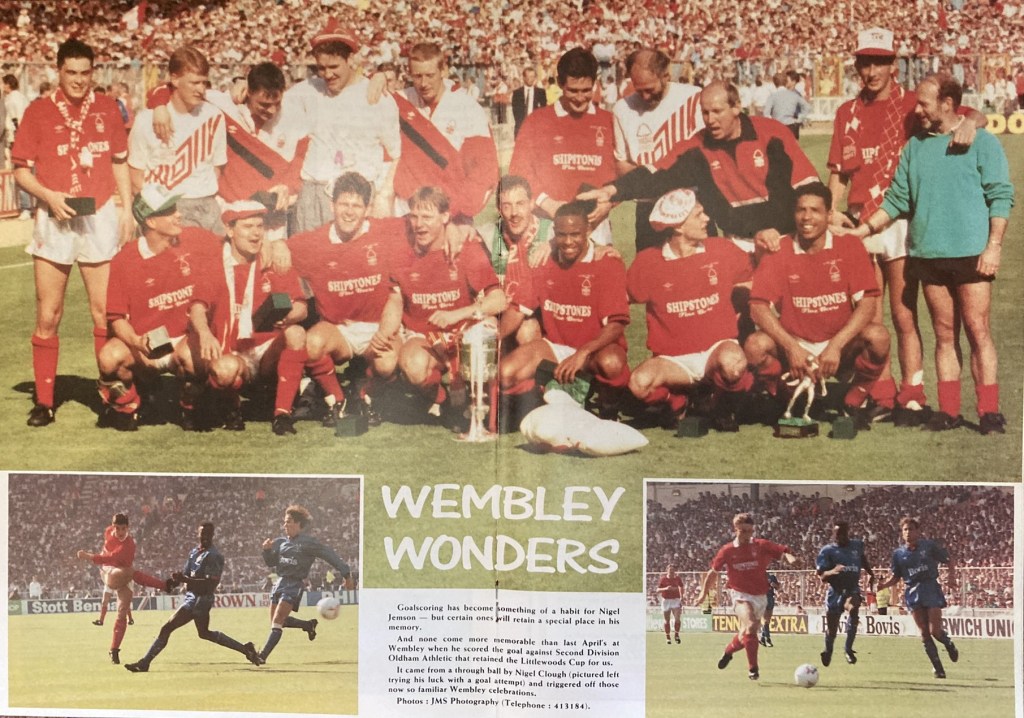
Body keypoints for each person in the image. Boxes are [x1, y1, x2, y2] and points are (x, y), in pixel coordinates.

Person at [828, 28, 987, 426]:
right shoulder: (846, 112)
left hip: (899, 218)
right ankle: (880, 391)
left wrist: (974, 123)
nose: (871, 71)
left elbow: (967, 113)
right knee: (869, 315)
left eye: (879, 62)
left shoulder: (912, 104)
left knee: (903, 314)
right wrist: (832, 211)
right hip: (858, 221)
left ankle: (912, 392)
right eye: (865, 62)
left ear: (893, 64)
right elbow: (838, 173)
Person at [853, 73, 1013, 434]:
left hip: (972, 253)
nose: (918, 111)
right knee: (943, 333)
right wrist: (861, 231)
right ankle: (949, 411)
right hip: (928, 253)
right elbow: (896, 199)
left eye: (924, 104)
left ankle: (989, 411)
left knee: (978, 330)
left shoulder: (983, 143)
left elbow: (1001, 196)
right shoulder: (915, 147)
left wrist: (993, 247)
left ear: (948, 104)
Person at [12, 38, 134, 427]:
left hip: (98, 215)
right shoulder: (38, 111)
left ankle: (109, 394)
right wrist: (48, 195)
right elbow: (20, 169)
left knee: (103, 312)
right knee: (49, 312)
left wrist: (127, 208)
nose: (79, 80)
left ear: (93, 72)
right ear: (59, 71)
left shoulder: (108, 108)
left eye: (85, 73)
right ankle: (44, 402)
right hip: (55, 216)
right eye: (71, 73)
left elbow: (119, 161)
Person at [581, 81, 819, 255]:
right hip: (739, 244)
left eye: (717, 111)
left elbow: (807, 185)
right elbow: (656, 174)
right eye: (705, 112)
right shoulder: (697, 147)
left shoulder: (771, 133)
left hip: (786, 238)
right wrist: (611, 191)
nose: (710, 119)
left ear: (736, 107)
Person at [745, 183, 891, 421]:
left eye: (815, 210)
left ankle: (853, 401)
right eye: (801, 210)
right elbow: (758, 307)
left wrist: (836, 346)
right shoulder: (780, 249)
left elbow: (867, 304)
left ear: (829, 214)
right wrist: (792, 348)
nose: (806, 217)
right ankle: (785, 398)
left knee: (879, 337)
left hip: (839, 345)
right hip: (795, 344)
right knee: (754, 346)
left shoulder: (849, 245)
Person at [626, 188, 754, 430]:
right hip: (674, 360)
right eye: (698, 215)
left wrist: (739, 307)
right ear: (678, 226)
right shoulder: (648, 262)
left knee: (734, 364)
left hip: (715, 351)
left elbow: (754, 276)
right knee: (638, 384)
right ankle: (677, 402)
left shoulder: (721, 249)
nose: (707, 219)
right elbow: (621, 299)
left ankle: (719, 404)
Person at [288, 172, 409, 424]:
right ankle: (337, 398)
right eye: (344, 204)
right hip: (339, 329)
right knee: (312, 344)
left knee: (387, 364)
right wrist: (276, 247)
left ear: (368, 209)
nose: (349, 212)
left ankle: (365, 394)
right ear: (332, 205)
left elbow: (425, 222)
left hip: (378, 326)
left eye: (356, 206)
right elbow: (276, 249)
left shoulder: (386, 231)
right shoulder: (315, 242)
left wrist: (457, 229)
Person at [376, 186, 505, 422]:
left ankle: (476, 399)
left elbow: (499, 299)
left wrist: (457, 314)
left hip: (461, 332)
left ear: (445, 217)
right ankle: (442, 399)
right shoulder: (401, 250)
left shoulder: (466, 248)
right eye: (414, 216)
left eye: (427, 217)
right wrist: (384, 333)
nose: (419, 224)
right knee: (413, 366)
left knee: (484, 334)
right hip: (424, 336)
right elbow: (395, 299)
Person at [97, 184, 217, 431]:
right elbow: (116, 318)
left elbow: (234, 242)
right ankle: (130, 404)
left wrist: (275, 245)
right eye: (169, 211)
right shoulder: (124, 260)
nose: (178, 214)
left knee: (194, 359)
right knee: (109, 358)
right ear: (151, 222)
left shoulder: (196, 238)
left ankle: (189, 406)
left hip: (184, 338)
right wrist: (137, 341)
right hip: (148, 342)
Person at [499, 202, 630, 419]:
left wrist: (583, 352)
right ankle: (551, 394)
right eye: (562, 235)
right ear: (554, 233)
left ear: (588, 230)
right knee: (505, 373)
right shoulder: (544, 262)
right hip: (556, 348)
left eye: (575, 234)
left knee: (612, 363)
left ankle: (608, 403)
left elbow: (616, 324)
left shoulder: (607, 263)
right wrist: (493, 339)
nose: (568, 242)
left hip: (594, 351)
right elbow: (518, 309)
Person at [188, 201, 308, 434]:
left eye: (259, 226)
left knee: (296, 333)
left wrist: (288, 317)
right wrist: (204, 333)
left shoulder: (273, 259)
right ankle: (222, 401)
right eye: (247, 226)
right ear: (230, 230)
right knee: (224, 372)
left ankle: (282, 414)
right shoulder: (214, 263)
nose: (255, 233)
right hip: (232, 351)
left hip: (266, 351)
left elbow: (301, 307)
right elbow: (197, 307)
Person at [285, 20, 400, 230]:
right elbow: (269, 95)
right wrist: (245, 83)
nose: (327, 75)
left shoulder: (377, 97)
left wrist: (384, 195)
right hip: (314, 194)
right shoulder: (308, 91)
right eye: (321, 68)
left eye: (334, 67)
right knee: (306, 251)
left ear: (351, 60)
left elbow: (396, 154)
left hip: (357, 197)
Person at [508, 48, 617, 246]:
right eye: (573, 90)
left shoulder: (609, 121)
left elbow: (622, 174)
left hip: (596, 227)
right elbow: (519, 173)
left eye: (586, 90)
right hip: (549, 225)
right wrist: (546, 203)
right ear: (560, 83)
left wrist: (610, 202)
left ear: (594, 83)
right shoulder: (537, 121)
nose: (580, 98)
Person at [125, 522, 262, 672]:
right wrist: (170, 583)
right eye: (202, 534)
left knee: (167, 628)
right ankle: (246, 649)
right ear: (198, 534)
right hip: (192, 597)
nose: (205, 537)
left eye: (208, 534)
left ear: (213, 535)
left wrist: (185, 580)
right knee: (204, 633)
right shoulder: (194, 552)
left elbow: (210, 584)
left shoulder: (214, 556)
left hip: (201, 600)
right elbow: (184, 575)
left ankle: (145, 663)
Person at [393, 42, 499, 220]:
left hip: (451, 215)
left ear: (443, 71)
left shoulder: (466, 108)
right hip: (408, 214)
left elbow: (484, 170)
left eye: (430, 75)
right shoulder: (400, 101)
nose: (424, 83)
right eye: (417, 76)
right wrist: (378, 79)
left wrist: (457, 212)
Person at [612, 48, 703, 251]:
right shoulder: (622, 109)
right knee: (650, 267)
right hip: (648, 207)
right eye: (639, 90)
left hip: (691, 204)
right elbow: (621, 163)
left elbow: (701, 158)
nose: (644, 96)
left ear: (666, 76)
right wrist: (655, 181)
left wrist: (655, 177)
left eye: (650, 89)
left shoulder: (693, 98)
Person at [128, 46, 226, 232]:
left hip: (206, 205)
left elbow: (217, 167)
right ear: (174, 79)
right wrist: (159, 211)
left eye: (204, 83)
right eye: (194, 83)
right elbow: (136, 176)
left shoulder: (215, 115)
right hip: (165, 208)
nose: (201, 89)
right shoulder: (146, 120)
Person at [694, 512, 796, 681]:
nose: (746, 534)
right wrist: (703, 593)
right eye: (743, 531)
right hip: (739, 595)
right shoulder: (727, 550)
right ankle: (753, 668)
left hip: (761, 596)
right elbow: (713, 572)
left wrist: (791, 559)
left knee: (746, 635)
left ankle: (728, 651)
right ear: (735, 529)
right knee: (751, 624)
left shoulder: (761, 545)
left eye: (749, 531)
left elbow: (783, 552)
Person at [258, 504, 352, 663]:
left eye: (288, 521)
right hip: (279, 582)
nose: (285, 525)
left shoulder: (308, 542)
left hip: (294, 584)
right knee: (277, 621)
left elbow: (329, 554)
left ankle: (261, 656)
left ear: (298, 524)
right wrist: (266, 550)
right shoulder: (280, 542)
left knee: (278, 620)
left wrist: (346, 574)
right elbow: (271, 563)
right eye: (284, 521)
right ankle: (308, 625)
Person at [75, 513, 173, 664]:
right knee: (130, 572)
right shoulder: (108, 532)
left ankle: (114, 650)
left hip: (123, 576)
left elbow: (110, 557)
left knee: (122, 613)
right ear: (113, 527)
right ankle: (164, 586)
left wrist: (87, 556)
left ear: (128, 528)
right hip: (109, 571)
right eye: (117, 528)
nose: (120, 532)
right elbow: (106, 559)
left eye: (123, 529)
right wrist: (92, 556)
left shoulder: (128, 545)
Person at [474, 175, 553, 348]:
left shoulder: (550, 232)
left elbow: (584, 245)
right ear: (499, 209)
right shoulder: (488, 234)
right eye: (507, 206)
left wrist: (554, 244)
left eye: (520, 204)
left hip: (537, 317)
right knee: (482, 327)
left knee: (527, 330)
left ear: (532, 204)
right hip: (502, 312)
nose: (514, 213)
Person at [876, 517, 959, 679]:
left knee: (935, 631)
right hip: (912, 592)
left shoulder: (928, 546)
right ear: (902, 533)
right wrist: (884, 585)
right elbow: (896, 577)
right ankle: (938, 669)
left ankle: (948, 643)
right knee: (924, 633)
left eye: (911, 529)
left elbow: (949, 560)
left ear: (918, 531)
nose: (908, 532)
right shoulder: (898, 554)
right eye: (905, 530)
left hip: (930, 587)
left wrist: (951, 577)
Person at [815, 520, 875, 667]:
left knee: (853, 608)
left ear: (847, 533)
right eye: (837, 534)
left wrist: (870, 573)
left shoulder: (857, 545)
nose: (839, 537)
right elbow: (822, 577)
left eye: (842, 533)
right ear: (833, 534)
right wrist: (833, 571)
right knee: (832, 629)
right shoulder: (827, 551)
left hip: (851, 589)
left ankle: (848, 649)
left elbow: (862, 558)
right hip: (835, 592)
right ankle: (828, 650)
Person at [763, 71, 810, 138]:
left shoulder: (772, 96)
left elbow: (766, 113)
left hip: (777, 125)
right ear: (785, 82)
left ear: (774, 83)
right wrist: (800, 118)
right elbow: (807, 107)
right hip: (791, 125)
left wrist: (772, 123)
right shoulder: (793, 95)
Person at [511, 66, 546, 136]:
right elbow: (516, 112)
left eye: (533, 76)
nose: (531, 79)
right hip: (521, 128)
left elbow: (543, 111)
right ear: (524, 78)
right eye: (529, 76)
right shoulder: (517, 93)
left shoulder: (541, 92)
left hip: (536, 128)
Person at [656, 564, 684, 644]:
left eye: (673, 570)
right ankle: (668, 637)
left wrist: (681, 596)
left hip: (676, 600)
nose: (671, 572)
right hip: (666, 601)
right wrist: (666, 588)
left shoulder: (677, 578)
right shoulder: (663, 579)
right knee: (667, 620)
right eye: (670, 570)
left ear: (674, 571)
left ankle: (676, 635)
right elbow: (657, 590)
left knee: (677, 618)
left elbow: (681, 587)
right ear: (667, 571)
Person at [758, 573, 780, 647]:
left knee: (766, 620)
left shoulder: (771, 577)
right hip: (765, 598)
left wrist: (774, 585)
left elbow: (778, 587)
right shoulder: (759, 577)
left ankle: (764, 639)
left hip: (768, 598)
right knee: (765, 620)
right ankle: (766, 639)